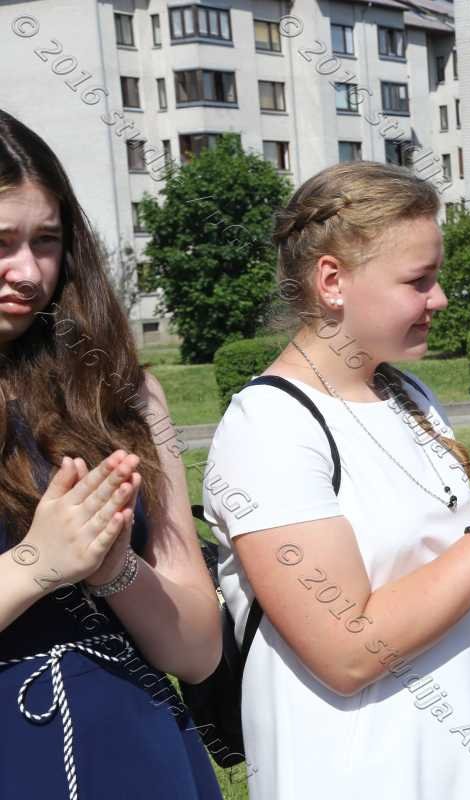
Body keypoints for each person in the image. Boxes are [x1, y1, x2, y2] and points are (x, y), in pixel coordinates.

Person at [202, 161, 470, 798]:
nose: (439, 299)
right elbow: (347, 652)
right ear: (333, 281)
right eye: (419, 280)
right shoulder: (270, 426)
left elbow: (468, 594)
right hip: (363, 767)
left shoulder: (408, 396)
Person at [0, 110, 223, 798]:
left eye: (47, 241)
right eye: (1, 242)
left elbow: (198, 651)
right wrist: (39, 563)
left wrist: (115, 570)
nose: (28, 272)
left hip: (140, 748)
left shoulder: (122, 392)